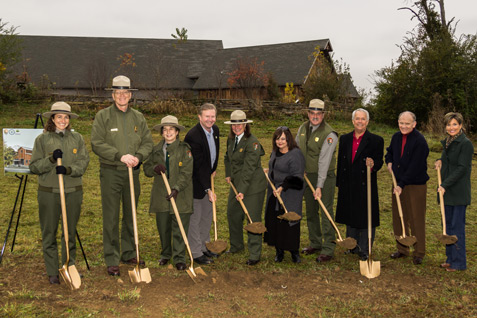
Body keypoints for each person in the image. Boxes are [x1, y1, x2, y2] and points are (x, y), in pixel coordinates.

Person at [91, 75, 153, 276]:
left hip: (132, 174)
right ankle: (111, 257)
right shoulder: (103, 116)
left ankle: (129, 252)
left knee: (130, 214)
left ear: (130, 95)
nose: (122, 96)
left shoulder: (138, 117)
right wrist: (120, 156)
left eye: (125, 92)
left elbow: (147, 143)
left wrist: (139, 157)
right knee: (111, 216)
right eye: (118, 92)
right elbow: (97, 143)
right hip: (111, 172)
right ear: (113, 95)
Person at [30, 102, 90, 284]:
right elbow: (34, 167)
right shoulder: (42, 139)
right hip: (48, 192)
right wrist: (50, 160)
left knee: (69, 232)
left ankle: (68, 266)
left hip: (73, 191)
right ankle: (52, 270)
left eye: (66, 117)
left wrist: (69, 170)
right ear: (52, 118)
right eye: (59, 117)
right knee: (49, 232)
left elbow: (83, 162)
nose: (62, 120)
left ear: (69, 119)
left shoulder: (77, 139)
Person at [144, 115, 193, 271]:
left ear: (177, 131)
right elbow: (146, 169)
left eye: (172, 129)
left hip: (181, 194)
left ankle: (179, 258)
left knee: (179, 226)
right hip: (161, 194)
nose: (168, 132)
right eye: (165, 129)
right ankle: (166, 254)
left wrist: (177, 188)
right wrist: (154, 169)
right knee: (163, 226)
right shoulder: (156, 150)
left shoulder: (185, 149)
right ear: (162, 132)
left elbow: (187, 172)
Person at [335, 108, 384, 261]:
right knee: (350, 214)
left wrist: (373, 164)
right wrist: (340, 182)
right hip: (348, 182)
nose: (360, 121)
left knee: (365, 216)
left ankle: (364, 248)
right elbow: (341, 161)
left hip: (365, 184)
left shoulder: (376, 140)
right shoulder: (345, 139)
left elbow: (379, 161)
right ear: (353, 121)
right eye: (357, 119)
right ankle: (352, 246)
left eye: (363, 119)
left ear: (367, 122)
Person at [295, 99, 338, 263]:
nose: (315, 116)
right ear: (308, 113)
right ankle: (315, 242)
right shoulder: (303, 128)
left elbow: (324, 162)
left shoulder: (330, 134)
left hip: (324, 176)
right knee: (311, 210)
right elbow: (297, 148)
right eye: (312, 113)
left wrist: (319, 185)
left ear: (323, 115)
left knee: (325, 210)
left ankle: (328, 248)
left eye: (318, 114)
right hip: (307, 175)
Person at [385, 111, 429, 265]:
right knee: (398, 216)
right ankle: (402, 249)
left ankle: (419, 252)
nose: (403, 126)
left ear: (414, 124)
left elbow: (415, 167)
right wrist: (389, 161)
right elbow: (389, 152)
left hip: (414, 184)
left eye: (407, 123)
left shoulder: (420, 141)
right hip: (398, 182)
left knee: (416, 217)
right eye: (401, 123)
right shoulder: (396, 137)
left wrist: (401, 184)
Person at [224, 110, 267, 265]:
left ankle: (255, 253)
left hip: (253, 186)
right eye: (234, 125)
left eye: (240, 124)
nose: (237, 127)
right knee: (233, 213)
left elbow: (249, 168)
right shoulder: (231, 140)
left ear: (245, 125)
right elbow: (227, 158)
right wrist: (228, 174)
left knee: (252, 218)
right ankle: (236, 246)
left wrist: (242, 190)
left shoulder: (252, 142)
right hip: (237, 183)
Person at [435, 112, 473, 272]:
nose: (451, 127)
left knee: (457, 228)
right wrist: (440, 161)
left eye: (455, 124)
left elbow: (462, 168)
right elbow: (447, 160)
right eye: (449, 125)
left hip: (457, 192)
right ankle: (450, 259)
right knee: (447, 227)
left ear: (461, 125)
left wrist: (445, 184)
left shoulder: (465, 144)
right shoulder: (448, 142)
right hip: (446, 192)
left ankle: (459, 263)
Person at [184, 103, 220, 265]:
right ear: (199, 117)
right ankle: (196, 252)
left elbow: (213, 154)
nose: (210, 119)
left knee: (207, 215)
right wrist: (208, 189)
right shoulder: (193, 136)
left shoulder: (216, 131)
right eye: (207, 116)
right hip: (195, 182)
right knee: (195, 217)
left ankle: (205, 246)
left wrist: (213, 169)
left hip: (207, 177)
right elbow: (198, 165)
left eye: (212, 116)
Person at [264, 127, 305, 263]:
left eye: (282, 139)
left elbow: (297, 177)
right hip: (274, 192)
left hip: (290, 192)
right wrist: (269, 171)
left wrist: (283, 187)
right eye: (277, 138)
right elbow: (274, 167)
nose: (279, 141)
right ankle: (279, 251)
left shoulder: (295, 154)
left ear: (288, 139)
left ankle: (294, 252)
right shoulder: (275, 152)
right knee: (276, 221)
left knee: (290, 221)